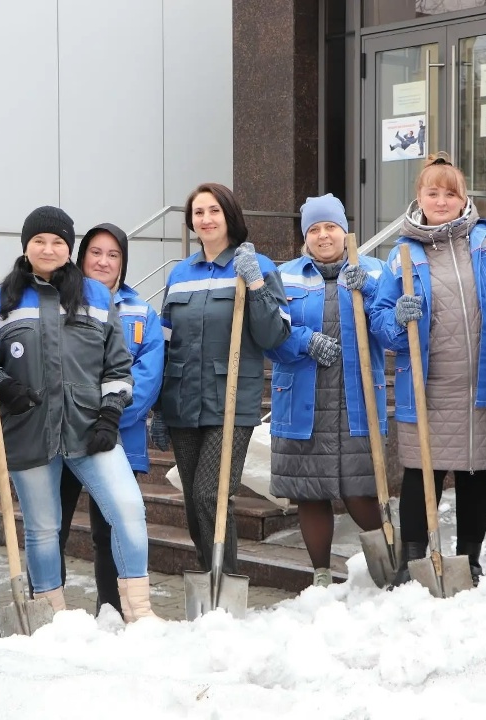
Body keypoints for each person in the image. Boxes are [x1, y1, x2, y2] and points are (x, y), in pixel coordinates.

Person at [0, 205, 157, 620]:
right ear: (26, 246)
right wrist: (2, 384)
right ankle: (49, 617)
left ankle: (139, 611)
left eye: (58, 241)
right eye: (39, 241)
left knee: (129, 510)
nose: (48, 248)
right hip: (30, 431)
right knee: (43, 530)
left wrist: (111, 413)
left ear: (69, 248)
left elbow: (118, 366)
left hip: (89, 429)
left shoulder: (96, 297)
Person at [149, 183, 291, 575]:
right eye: (198, 212)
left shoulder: (256, 265)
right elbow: (165, 341)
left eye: (214, 210)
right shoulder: (179, 273)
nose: (206, 219)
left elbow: (273, 335)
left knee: (212, 494)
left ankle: (224, 581)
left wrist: (257, 286)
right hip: (181, 400)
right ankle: (210, 575)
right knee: (195, 502)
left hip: (231, 401)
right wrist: (158, 406)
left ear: (229, 215)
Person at [385, 155, 486, 588]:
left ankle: (469, 559)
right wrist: (396, 320)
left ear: (465, 199)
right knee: (422, 473)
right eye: (432, 192)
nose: (441, 201)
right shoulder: (403, 252)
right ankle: (413, 559)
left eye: (450, 193)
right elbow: (381, 319)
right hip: (427, 384)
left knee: (477, 472)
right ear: (419, 197)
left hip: (483, 380)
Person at [267, 194, 398, 587]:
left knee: (361, 490)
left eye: (331, 227)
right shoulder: (284, 274)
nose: (323, 235)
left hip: (355, 400)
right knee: (310, 492)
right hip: (302, 400)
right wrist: (303, 342)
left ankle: (392, 566)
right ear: (305, 236)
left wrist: (373, 294)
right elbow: (269, 333)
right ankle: (321, 575)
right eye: (314, 229)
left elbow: (387, 331)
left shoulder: (372, 270)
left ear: (345, 230)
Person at [57, 222, 164, 618]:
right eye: (95, 252)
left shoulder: (141, 312)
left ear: (123, 263)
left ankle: (113, 609)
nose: (103, 261)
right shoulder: (57, 302)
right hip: (60, 436)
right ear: (81, 257)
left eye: (113, 254)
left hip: (116, 438)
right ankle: (54, 616)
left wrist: (112, 417)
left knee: (110, 529)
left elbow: (148, 377)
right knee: (56, 527)